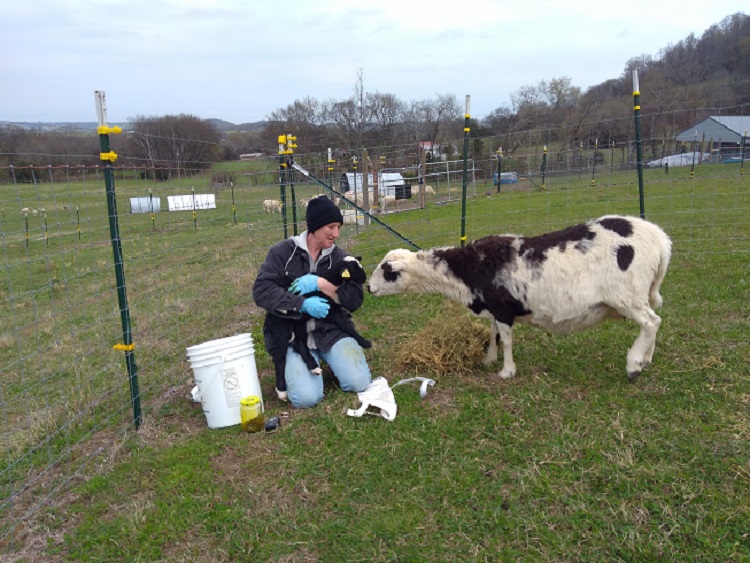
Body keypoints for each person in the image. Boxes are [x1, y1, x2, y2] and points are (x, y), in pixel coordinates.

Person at [252, 196, 372, 408]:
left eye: (338, 227)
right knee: (307, 398)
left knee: (359, 382)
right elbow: (262, 291)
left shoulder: (340, 258)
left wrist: (322, 284)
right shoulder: (282, 253)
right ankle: (301, 363)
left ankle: (331, 358)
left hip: (331, 330)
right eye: (330, 227)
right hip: (292, 336)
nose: (336, 234)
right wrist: (301, 304)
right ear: (315, 226)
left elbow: (354, 300)